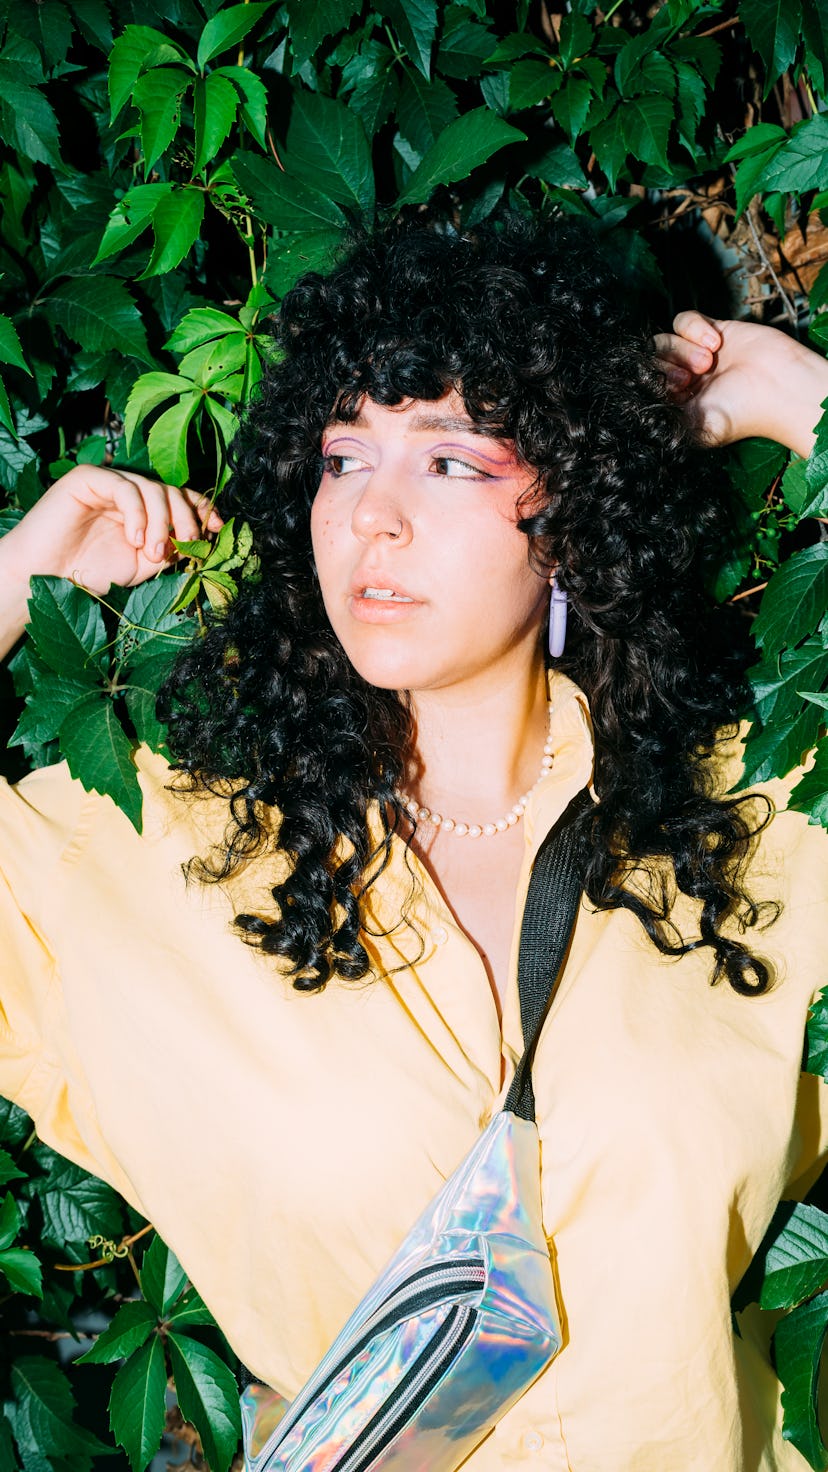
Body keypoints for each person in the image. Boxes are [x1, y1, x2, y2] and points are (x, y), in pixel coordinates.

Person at [1, 214, 827, 1470]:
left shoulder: (753, 826)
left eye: (449, 463)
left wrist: (801, 397)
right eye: (342, 457)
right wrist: (15, 581)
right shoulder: (153, 850)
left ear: (576, 498)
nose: (373, 517)